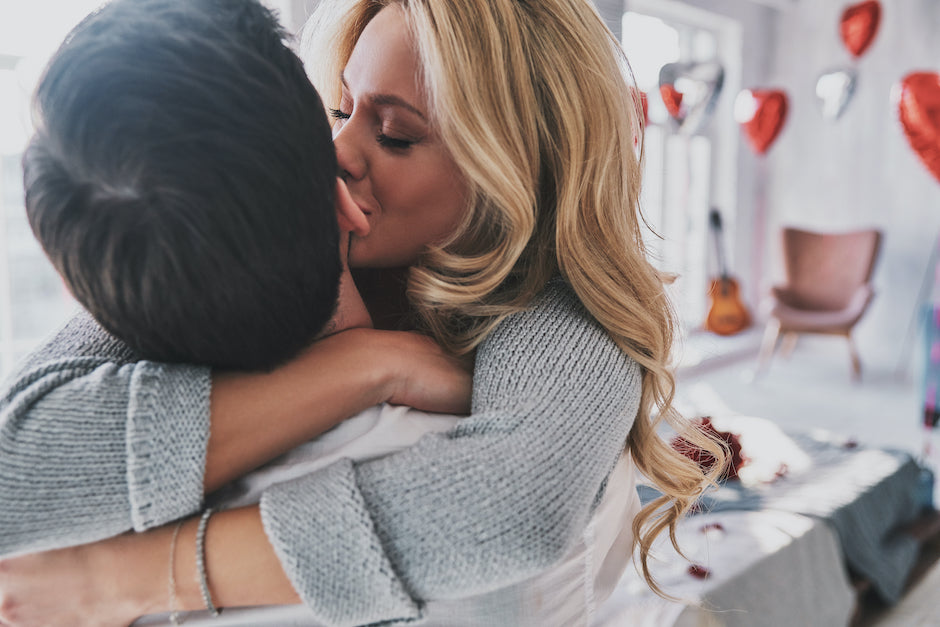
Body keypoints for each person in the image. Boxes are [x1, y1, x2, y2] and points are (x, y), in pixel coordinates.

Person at [0, 0, 727, 625]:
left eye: (396, 134)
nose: (335, 152)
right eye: (340, 108)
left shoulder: (561, 323)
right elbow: (14, 473)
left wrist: (116, 577)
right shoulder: (253, 240)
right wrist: (367, 366)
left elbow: (507, 510)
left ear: (518, 174)